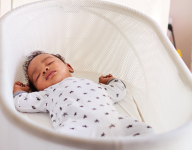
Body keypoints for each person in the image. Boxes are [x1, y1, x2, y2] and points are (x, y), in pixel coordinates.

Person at [13, 51, 154, 137]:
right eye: (37, 75)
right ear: (38, 89)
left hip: (113, 121)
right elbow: (22, 103)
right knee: (62, 145)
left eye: (49, 62)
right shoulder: (47, 94)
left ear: (69, 66)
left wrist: (110, 80)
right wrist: (20, 92)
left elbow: (118, 90)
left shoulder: (93, 84)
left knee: (146, 131)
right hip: (76, 127)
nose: (45, 69)